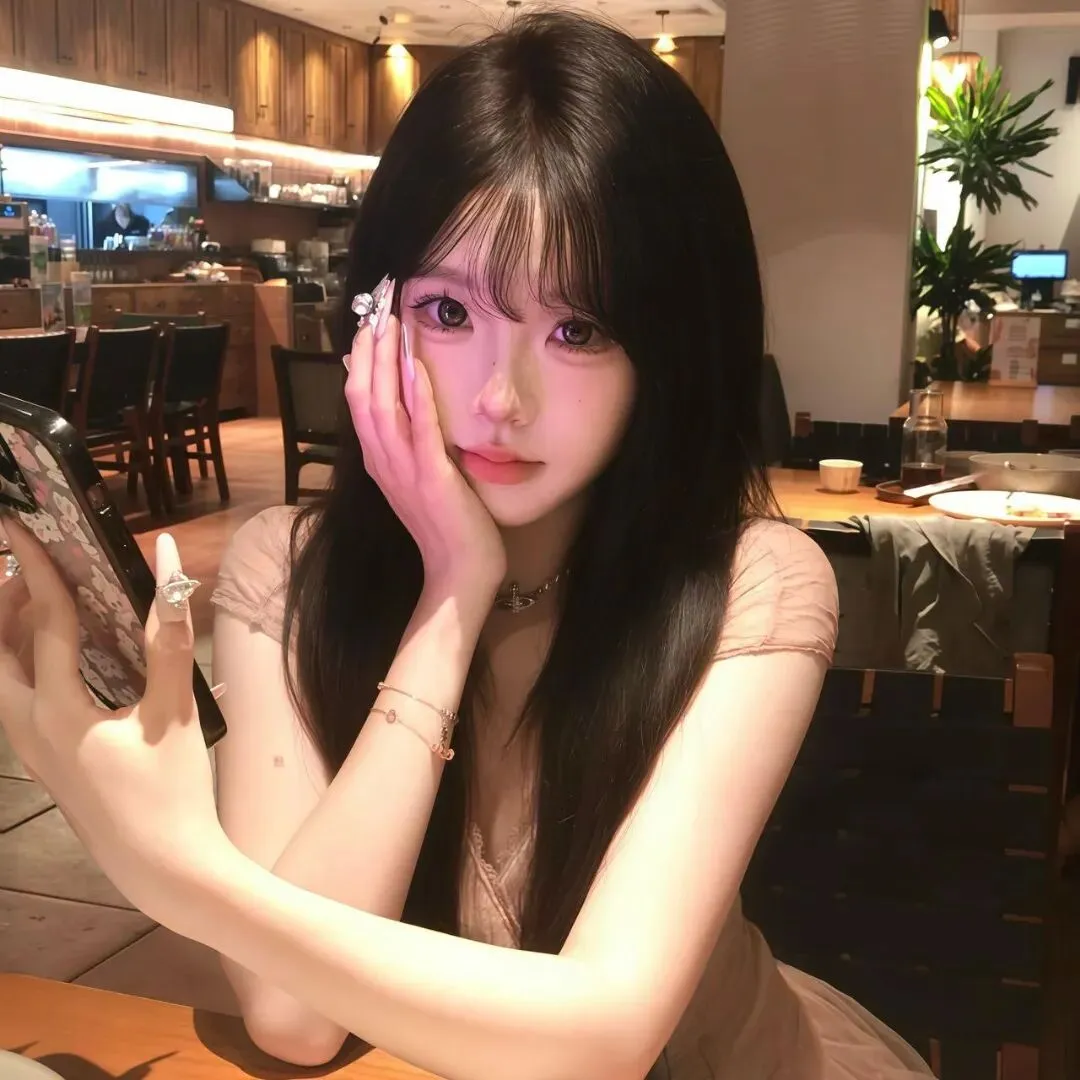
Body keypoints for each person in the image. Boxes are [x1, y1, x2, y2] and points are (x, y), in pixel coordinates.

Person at [0, 12, 935, 1080]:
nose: (501, 398)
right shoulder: (288, 570)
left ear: (670, 347)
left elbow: (604, 1040)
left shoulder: (749, 587)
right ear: (376, 319)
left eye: (578, 330)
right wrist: (453, 590)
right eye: (448, 312)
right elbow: (294, 1022)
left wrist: (180, 873)